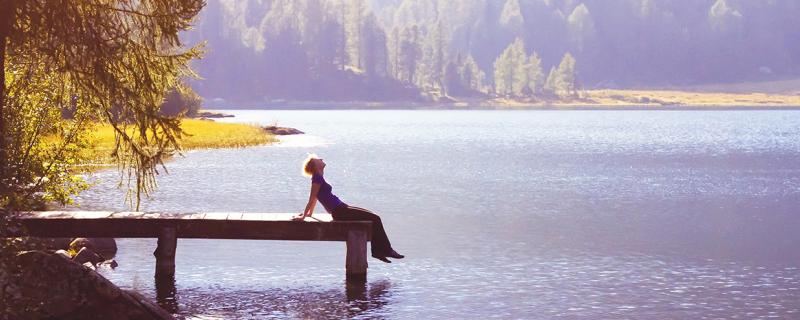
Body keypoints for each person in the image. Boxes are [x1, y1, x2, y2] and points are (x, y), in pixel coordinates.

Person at [294, 154, 404, 263]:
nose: (321, 159)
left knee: (373, 217)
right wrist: (304, 216)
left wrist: (309, 214)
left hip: (342, 208)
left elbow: (315, 198)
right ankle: (385, 250)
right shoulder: (317, 178)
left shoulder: (319, 176)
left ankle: (379, 251)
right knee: (375, 218)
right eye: (318, 159)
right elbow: (312, 197)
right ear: (315, 165)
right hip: (340, 211)